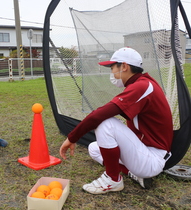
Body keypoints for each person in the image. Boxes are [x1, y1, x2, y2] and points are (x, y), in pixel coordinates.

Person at [59, 47, 173, 194]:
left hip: (151, 159)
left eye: (112, 67)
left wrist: (72, 137)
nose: (111, 72)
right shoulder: (142, 83)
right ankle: (131, 173)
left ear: (124, 66)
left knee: (106, 123)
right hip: (144, 152)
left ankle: (113, 179)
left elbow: (99, 115)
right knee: (94, 148)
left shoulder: (142, 85)